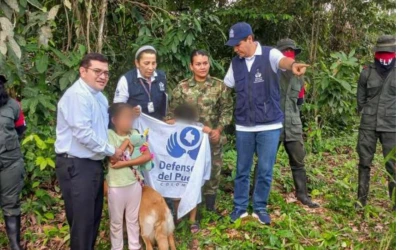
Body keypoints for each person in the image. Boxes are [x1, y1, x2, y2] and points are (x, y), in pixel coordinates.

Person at [224, 22, 308, 225]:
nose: (236, 49)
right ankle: (240, 207)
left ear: (250, 39)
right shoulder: (235, 63)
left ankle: (260, 207)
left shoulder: (269, 54)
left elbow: (283, 62)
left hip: (269, 125)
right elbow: (225, 87)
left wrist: (292, 65)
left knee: (264, 169)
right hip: (244, 125)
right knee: (242, 168)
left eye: (238, 44)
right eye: (233, 46)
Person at [55, 53, 124, 250]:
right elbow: (83, 134)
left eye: (106, 73)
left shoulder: (100, 97)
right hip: (76, 164)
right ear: (83, 71)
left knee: (93, 217)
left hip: (92, 164)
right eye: (97, 71)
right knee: (82, 221)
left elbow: (102, 131)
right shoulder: (77, 96)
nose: (103, 76)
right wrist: (111, 150)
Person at [167, 50, 233, 214]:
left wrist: (218, 130)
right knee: (188, 172)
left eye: (205, 63)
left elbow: (227, 111)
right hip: (188, 141)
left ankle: (209, 207)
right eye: (198, 64)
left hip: (211, 137)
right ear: (191, 66)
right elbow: (171, 113)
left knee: (213, 171)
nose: (202, 67)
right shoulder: (182, 88)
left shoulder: (219, 86)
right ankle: (187, 208)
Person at [276, 38, 319, 208]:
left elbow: (299, 101)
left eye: (291, 52)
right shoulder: (271, 73)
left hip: (293, 124)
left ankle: (302, 195)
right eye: (286, 51)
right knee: (266, 161)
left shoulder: (300, 76)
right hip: (274, 123)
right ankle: (256, 196)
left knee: (298, 161)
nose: (289, 54)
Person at [355, 35, 396, 210]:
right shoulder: (366, 72)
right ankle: (361, 201)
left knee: (393, 165)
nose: (385, 57)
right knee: (364, 162)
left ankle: (395, 204)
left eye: (388, 52)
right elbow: (360, 101)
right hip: (368, 125)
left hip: (393, 126)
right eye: (382, 53)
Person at [107, 103, 153, 249]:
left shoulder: (136, 134)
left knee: (133, 220)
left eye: (131, 118)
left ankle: (135, 246)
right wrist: (126, 142)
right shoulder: (109, 135)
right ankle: (117, 247)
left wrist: (126, 163)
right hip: (116, 186)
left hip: (134, 184)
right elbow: (113, 159)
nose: (129, 121)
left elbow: (147, 156)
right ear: (114, 120)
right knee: (116, 222)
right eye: (125, 118)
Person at [171, 103, 212, 233]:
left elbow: (207, 130)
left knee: (193, 191)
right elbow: (162, 129)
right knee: (176, 192)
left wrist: (208, 130)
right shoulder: (172, 125)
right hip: (177, 168)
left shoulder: (198, 127)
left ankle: (192, 220)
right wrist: (168, 124)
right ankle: (179, 218)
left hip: (192, 168)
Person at [0, 74, 25, 250]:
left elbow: (20, 129)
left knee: (11, 204)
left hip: (10, 163)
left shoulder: (13, 106)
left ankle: (15, 245)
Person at [114, 45, 168, 120]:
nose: (151, 68)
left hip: (157, 125)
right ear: (137, 63)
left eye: (153, 63)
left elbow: (164, 103)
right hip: (134, 126)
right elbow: (117, 108)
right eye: (146, 63)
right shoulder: (126, 80)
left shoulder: (161, 77)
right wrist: (130, 112)